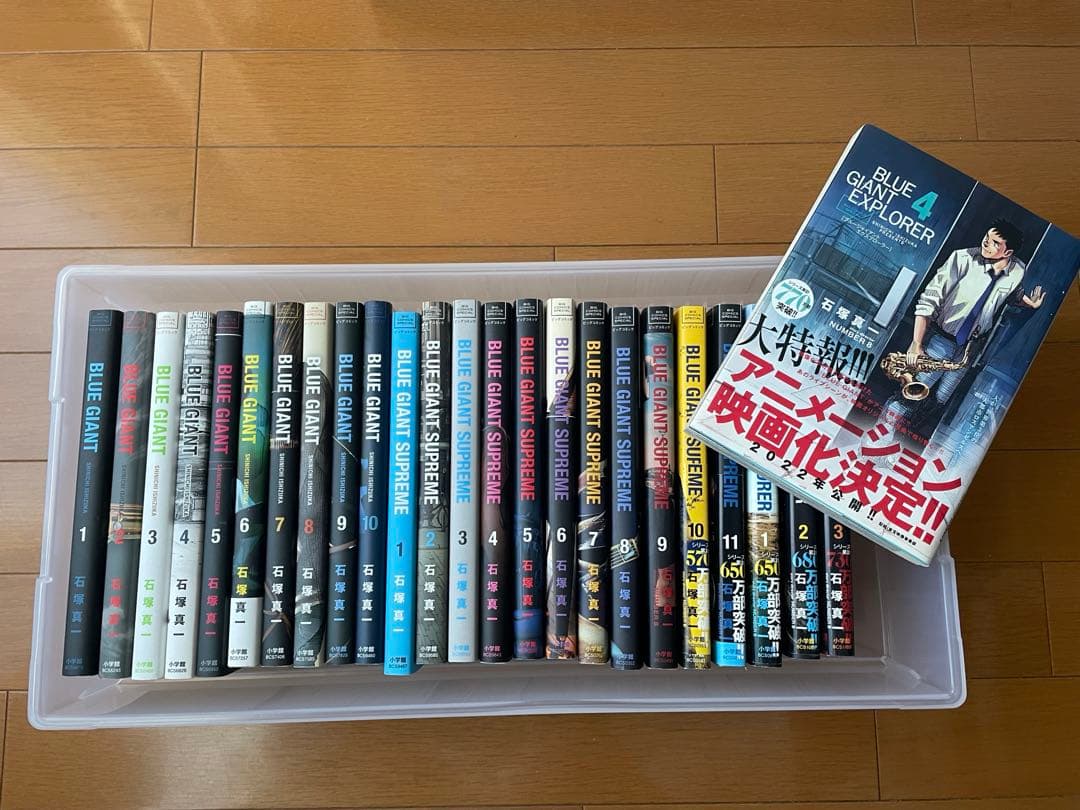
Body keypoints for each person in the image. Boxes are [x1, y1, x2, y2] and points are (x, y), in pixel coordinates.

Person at [885, 218, 1044, 438]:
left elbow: (1011, 293)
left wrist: (1029, 303)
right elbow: (929, 300)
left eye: (994, 242)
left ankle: (901, 438)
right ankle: (880, 434)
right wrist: (916, 343)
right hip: (942, 339)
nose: (986, 243)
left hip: (971, 348)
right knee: (915, 391)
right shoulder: (962, 258)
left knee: (940, 400)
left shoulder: (1017, 270)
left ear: (1008, 253)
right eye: (986, 238)